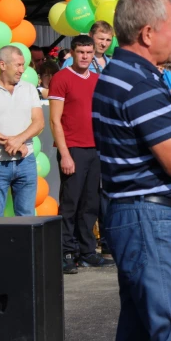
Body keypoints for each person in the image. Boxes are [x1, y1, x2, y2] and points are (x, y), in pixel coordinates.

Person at [92, 0, 171, 341]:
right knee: (170, 333)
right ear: (147, 33)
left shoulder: (121, 74)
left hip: (134, 216)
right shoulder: (138, 84)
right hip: (150, 220)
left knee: (141, 332)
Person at [48, 35, 113, 274]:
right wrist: (65, 154)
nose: (85, 56)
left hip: (95, 149)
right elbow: (55, 121)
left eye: (89, 52)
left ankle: (87, 252)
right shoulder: (61, 78)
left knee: (90, 204)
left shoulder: (97, 79)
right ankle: (67, 252)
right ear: (73, 53)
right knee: (70, 203)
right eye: (81, 52)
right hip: (72, 148)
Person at [0, 46, 44, 217]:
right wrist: (12, 143)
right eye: (18, 65)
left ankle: (24, 246)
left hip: (26, 161)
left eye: (23, 65)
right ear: (2, 65)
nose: (22, 70)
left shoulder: (29, 88)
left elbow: (39, 122)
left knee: (26, 216)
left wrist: (19, 140)